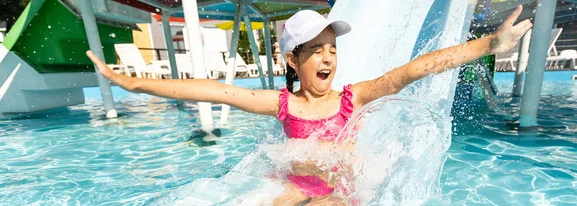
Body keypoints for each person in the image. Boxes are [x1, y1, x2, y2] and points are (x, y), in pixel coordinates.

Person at [86, 6, 532, 205]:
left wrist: (489, 44)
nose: (327, 57)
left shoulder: (351, 98)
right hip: (292, 189)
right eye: (315, 49)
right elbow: (210, 91)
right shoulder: (282, 105)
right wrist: (133, 84)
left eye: (331, 48)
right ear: (292, 60)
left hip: (341, 196)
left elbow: (414, 70)